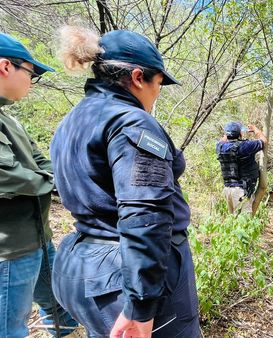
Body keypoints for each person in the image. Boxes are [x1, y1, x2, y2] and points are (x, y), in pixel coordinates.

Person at [50, 27, 201, 338]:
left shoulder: (71, 123)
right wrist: (140, 304)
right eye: (159, 83)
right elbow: (145, 214)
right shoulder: (130, 122)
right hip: (125, 276)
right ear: (137, 77)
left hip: (83, 269)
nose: (158, 92)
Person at [0, 32, 82, 338]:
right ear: (6, 67)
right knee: (9, 330)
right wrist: (47, 183)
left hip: (38, 239)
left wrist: (47, 179)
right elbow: (5, 174)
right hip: (10, 248)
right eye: (30, 74)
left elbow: (39, 161)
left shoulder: (10, 120)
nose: (31, 83)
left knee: (63, 308)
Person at [216, 121, 267, 215]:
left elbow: (222, 140)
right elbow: (264, 141)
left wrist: (227, 134)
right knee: (243, 224)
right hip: (241, 191)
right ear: (240, 134)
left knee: (234, 222)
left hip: (228, 189)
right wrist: (255, 129)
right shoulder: (245, 146)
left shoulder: (220, 147)